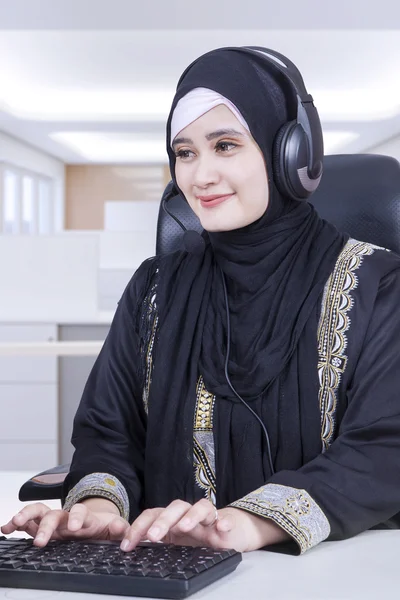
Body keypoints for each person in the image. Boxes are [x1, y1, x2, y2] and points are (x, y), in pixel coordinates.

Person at [3, 46, 400, 556]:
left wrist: (251, 522)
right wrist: (100, 512)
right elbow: (109, 431)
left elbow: (385, 447)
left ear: (292, 155)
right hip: (167, 567)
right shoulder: (154, 289)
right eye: (185, 153)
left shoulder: (380, 285)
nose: (199, 176)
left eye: (226, 145)